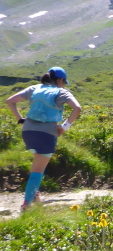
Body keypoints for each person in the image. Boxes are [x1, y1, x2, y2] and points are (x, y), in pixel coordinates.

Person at [6, 66, 82, 211]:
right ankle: (26, 204)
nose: (64, 85)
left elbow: (10, 101)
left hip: (27, 131)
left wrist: (20, 119)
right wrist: (64, 127)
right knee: (38, 169)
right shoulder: (61, 92)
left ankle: (35, 196)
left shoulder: (34, 88)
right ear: (60, 80)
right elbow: (77, 108)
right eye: (64, 82)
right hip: (46, 132)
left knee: (38, 161)